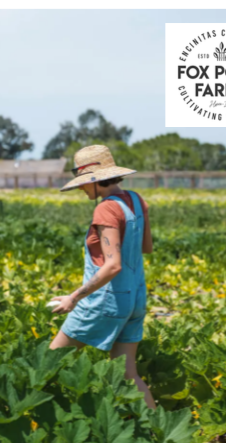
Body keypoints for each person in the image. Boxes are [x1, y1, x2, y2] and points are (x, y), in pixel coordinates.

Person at [49, 144, 156, 409]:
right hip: (135, 299)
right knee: (127, 375)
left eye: (84, 184)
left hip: (105, 302)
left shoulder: (106, 209)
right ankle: (161, 433)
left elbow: (112, 266)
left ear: (96, 181)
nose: (82, 189)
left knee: (47, 362)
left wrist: (74, 297)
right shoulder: (136, 200)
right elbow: (146, 247)